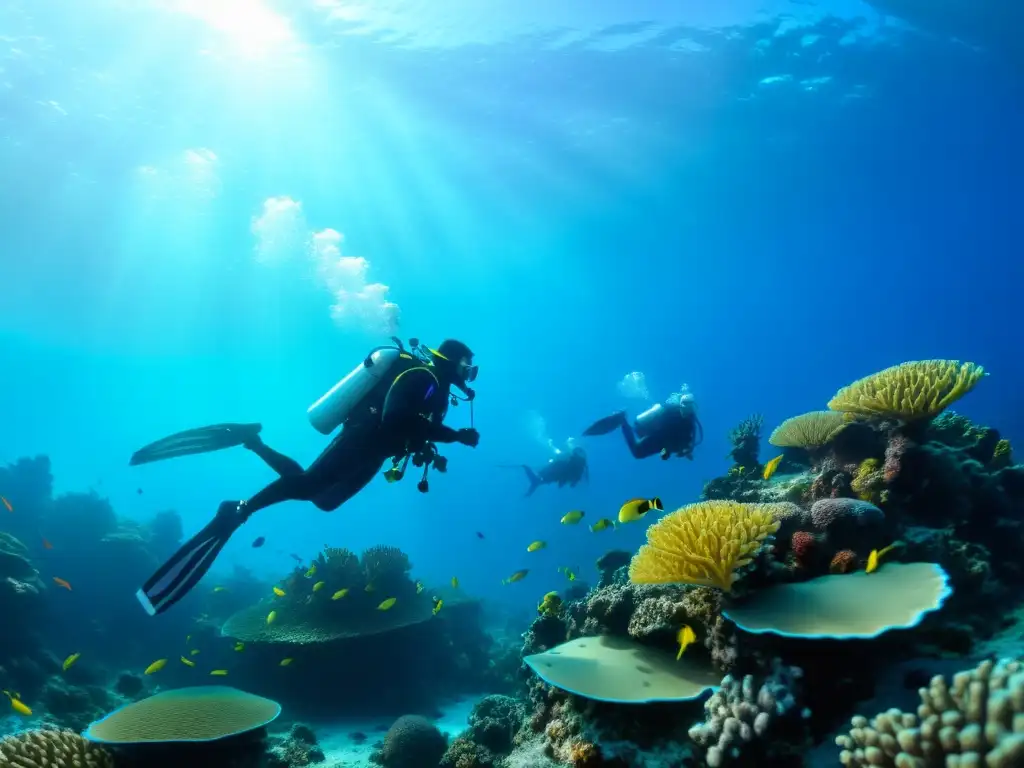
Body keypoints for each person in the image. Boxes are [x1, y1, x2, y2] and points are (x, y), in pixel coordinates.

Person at [134, 338, 480, 617]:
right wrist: (453, 436)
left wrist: (433, 441)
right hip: (363, 437)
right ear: (452, 362)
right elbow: (395, 418)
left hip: (376, 451)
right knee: (310, 486)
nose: (470, 374)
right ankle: (241, 509)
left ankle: (252, 441)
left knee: (323, 498)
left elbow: (415, 427)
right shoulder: (422, 377)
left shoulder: (435, 389)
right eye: (468, 366)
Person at [583, 387, 702, 460]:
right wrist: (673, 450)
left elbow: (682, 442)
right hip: (655, 434)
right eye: (685, 406)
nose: (686, 410)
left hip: (656, 436)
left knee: (638, 443)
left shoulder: (690, 424)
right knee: (637, 452)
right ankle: (622, 420)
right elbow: (671, 436)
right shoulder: (675, 414)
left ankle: (622, 420)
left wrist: (672, 451)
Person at [515, 445, 588, 496]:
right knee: (542, 477)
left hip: (556, 476)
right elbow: (574, 480)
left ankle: (533, 475)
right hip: (557, 475)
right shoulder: (579, 466)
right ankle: (533, 475)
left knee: (541, 477)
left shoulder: (577, 465)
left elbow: (574, 479)